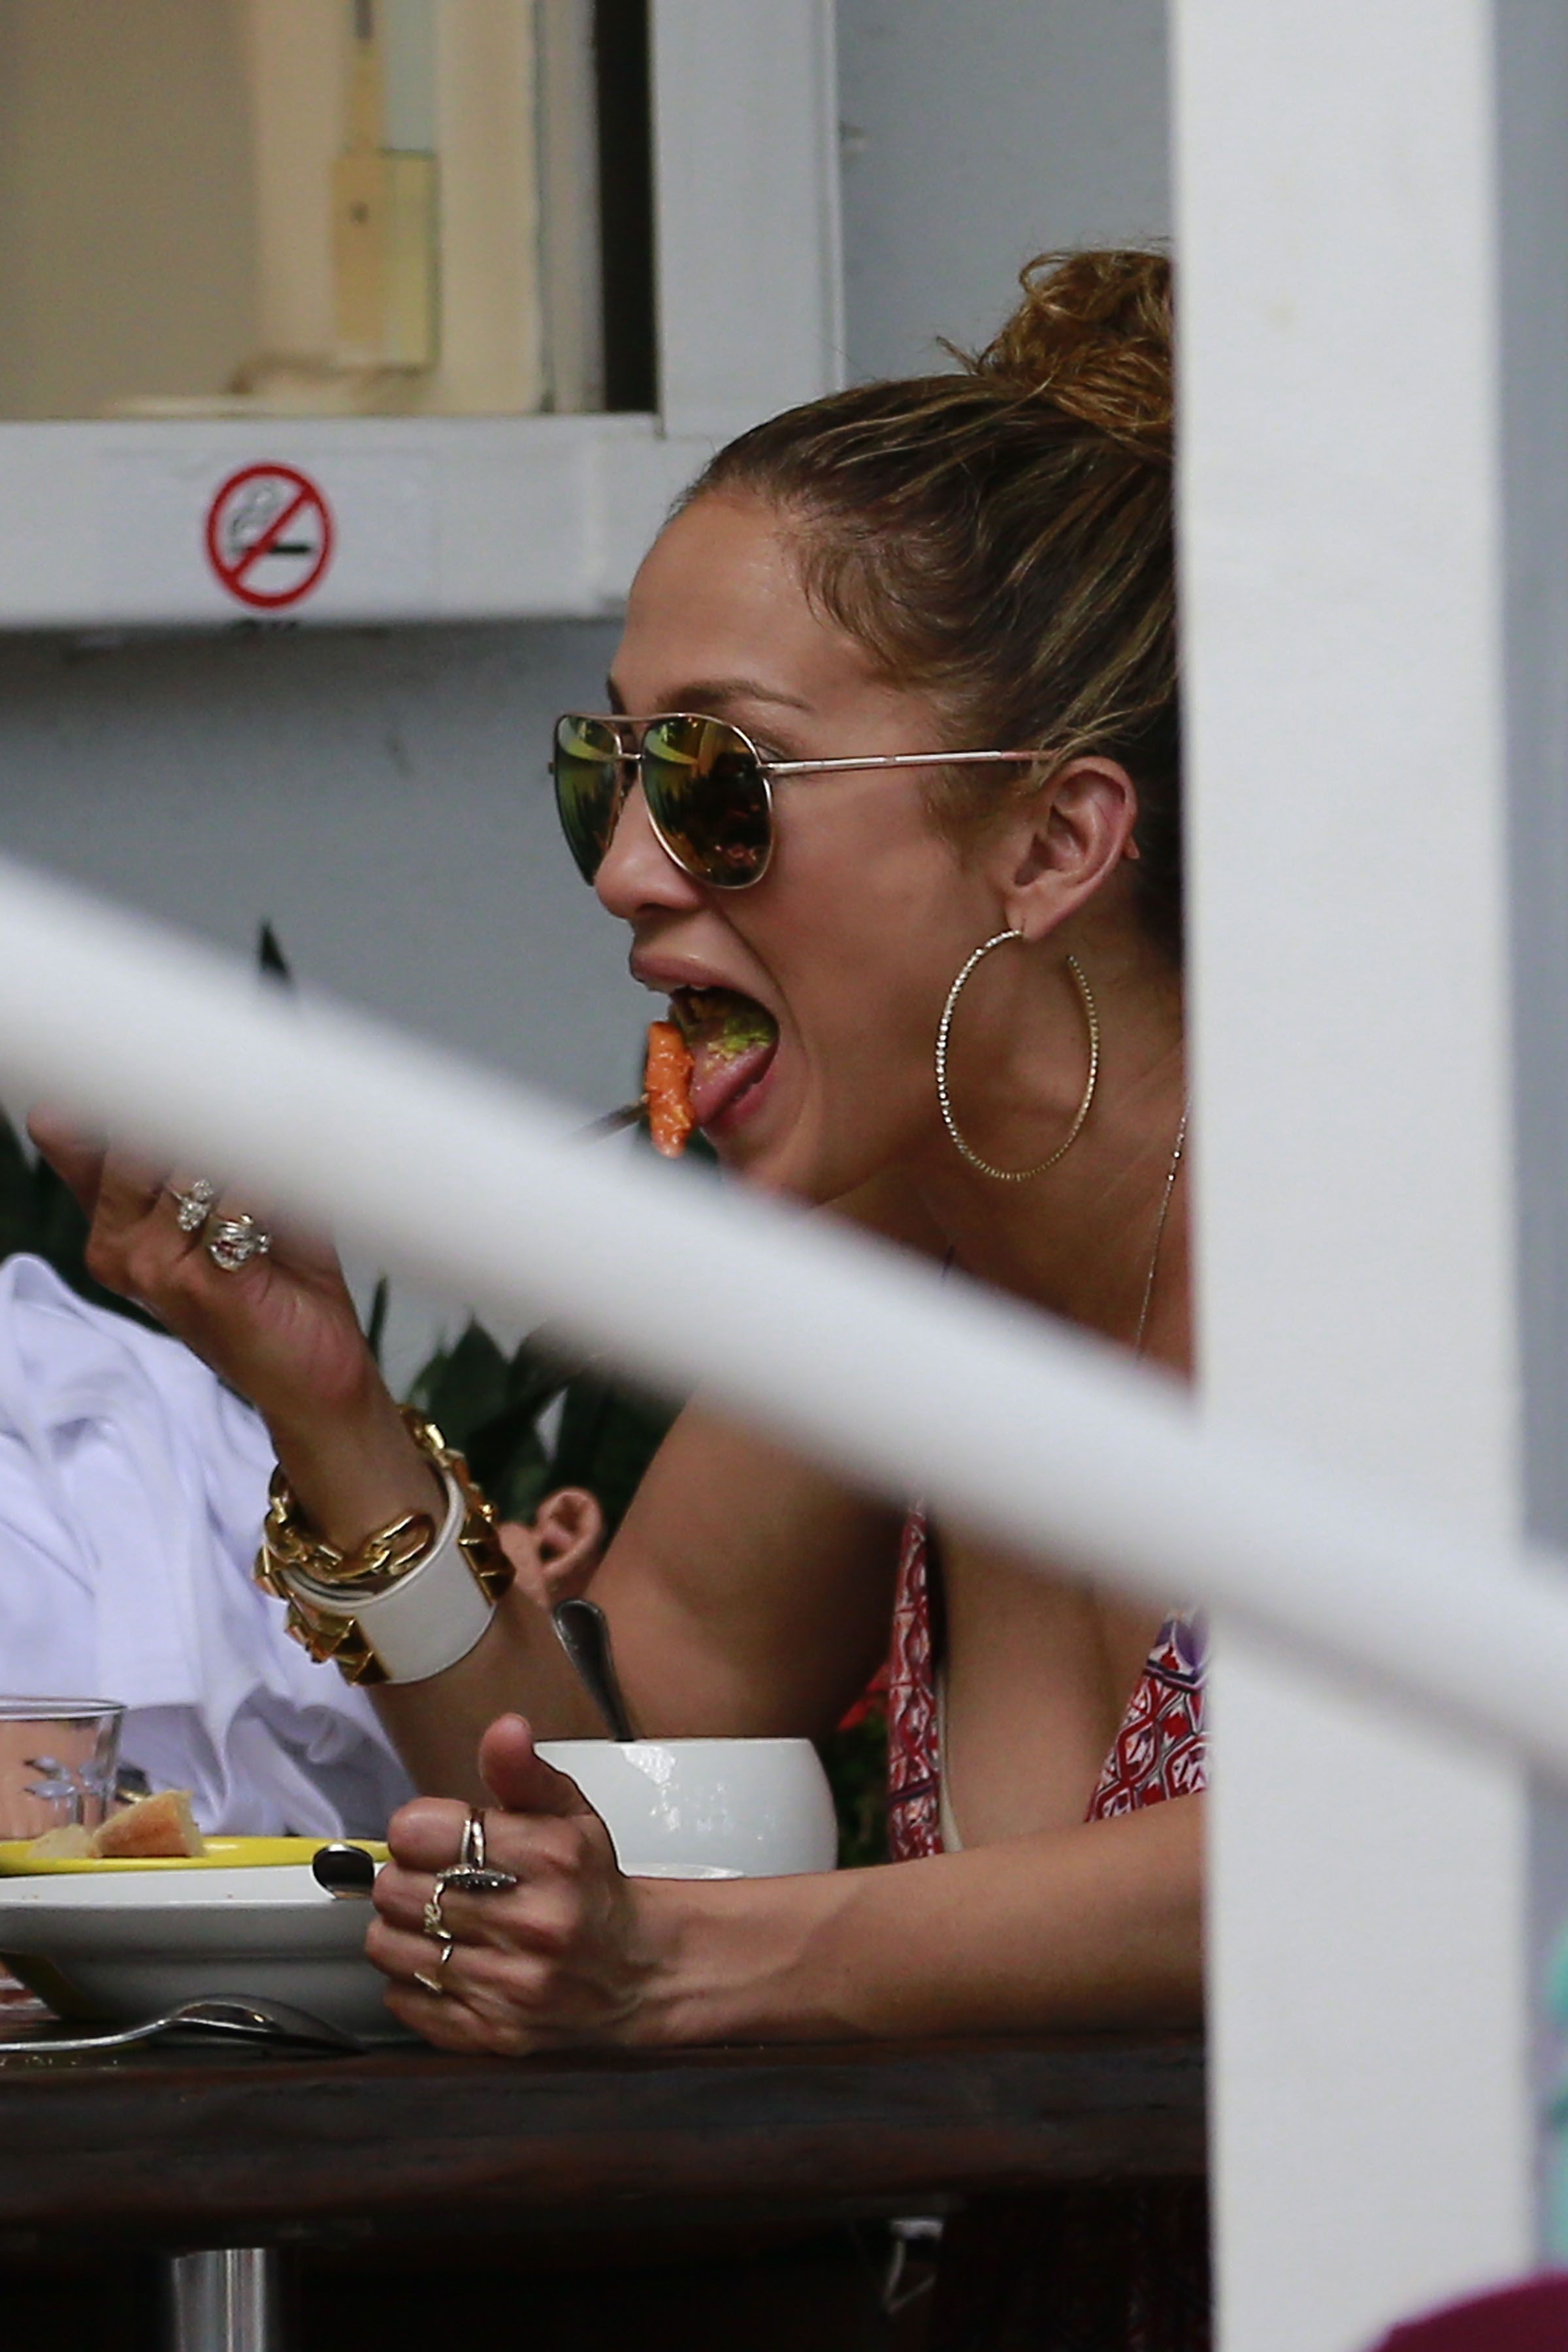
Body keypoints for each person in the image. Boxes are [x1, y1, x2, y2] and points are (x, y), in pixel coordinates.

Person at [33, 249, 1205, 2347]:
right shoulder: (899, 1252)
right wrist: (326, 1408)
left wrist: (699, 1967)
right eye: (612, 773)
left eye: (723, 782)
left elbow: (1399, 1847)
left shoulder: (1397, 1252)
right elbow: (610, 1775)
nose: (629, 870)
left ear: (1051, 845)